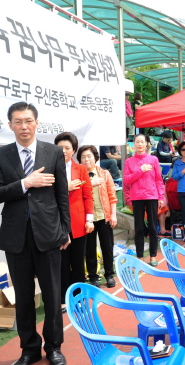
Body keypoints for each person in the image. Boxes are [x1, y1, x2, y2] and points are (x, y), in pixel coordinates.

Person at [0, 102, 69, 365]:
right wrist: (26, 183)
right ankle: (29, 349)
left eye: (28, 121)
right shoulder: (0, 155)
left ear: (36, 123)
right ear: (10, 125)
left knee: (52, 294)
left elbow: (61, 195)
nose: (24, 126)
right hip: (16, 236)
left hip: (48, 233)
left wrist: (65, 230)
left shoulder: (53, 152)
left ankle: (54, 346)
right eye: (18, 121)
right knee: (23, 296)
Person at [55, 132, 94, 312]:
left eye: (67, 148)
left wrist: (89, 219)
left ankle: (79, 298)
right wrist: (65, 187)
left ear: (74, 150)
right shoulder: (50, 168)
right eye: (60, 147)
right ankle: (64, 299)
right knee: (61, 263)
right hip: (58, 223)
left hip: (79, 222)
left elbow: (87, 196)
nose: (63, 151)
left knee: (78, 262)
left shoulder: (81, 169)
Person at [77, 145, 118, 289]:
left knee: (107, 247)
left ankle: (109, 275)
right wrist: (89, 183)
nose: (86, 159)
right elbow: (75, 195)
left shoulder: (104, 174)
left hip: (104, 216)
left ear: (95, 157)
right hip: (87, 219)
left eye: (89, 156)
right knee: (90, 249)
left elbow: (112, 196)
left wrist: (113, 214)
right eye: (83, 157)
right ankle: (93, 277)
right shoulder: (78, 176)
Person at [123, 133, 165, 266]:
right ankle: (140, 256)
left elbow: (159, 179)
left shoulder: (153, 159)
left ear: (146, 143)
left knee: (153, 227)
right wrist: (140, 170)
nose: (140, 144)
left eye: (142, 142)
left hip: (152, 196)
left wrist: (161, 196)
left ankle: (153, 256)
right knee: (139, 228)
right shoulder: (129, 161)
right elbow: (127, 180)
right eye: (137, 142)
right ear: (133, 144)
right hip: (136, 197)